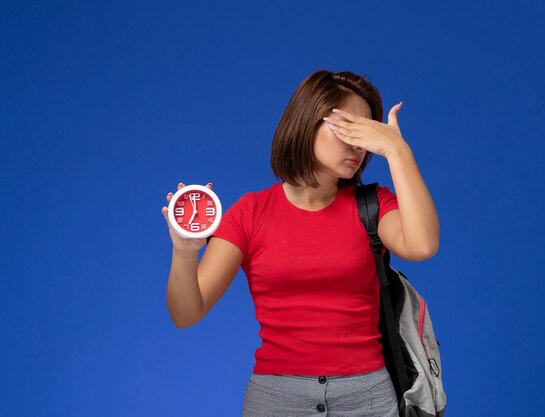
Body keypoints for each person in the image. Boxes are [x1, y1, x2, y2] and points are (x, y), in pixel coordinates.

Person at [161, 69, 440, 417]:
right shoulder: (250, 213)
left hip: (367, 397)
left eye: (366, 133)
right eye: (348, 128)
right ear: (308, 123)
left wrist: (397, 151)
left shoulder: (373, 206)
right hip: (276, 399)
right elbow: (186, 313)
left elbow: (423, 245)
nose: (359, 145)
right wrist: (184, 252)